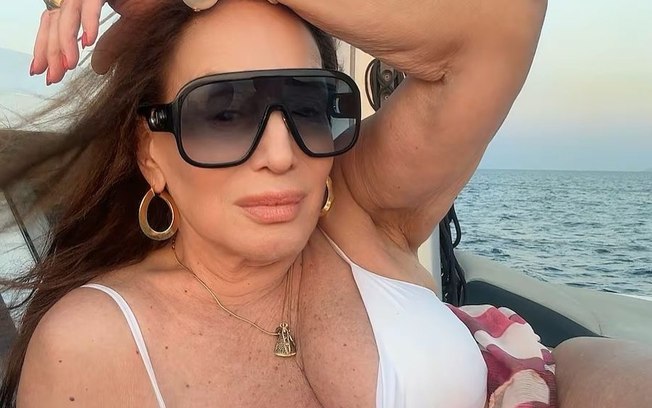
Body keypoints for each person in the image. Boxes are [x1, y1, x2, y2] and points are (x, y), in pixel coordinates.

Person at [1, 0, 552, 406]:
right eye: (223, 113)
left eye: (309, 107)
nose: (282, 154)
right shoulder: (91, 344)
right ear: (151, 154)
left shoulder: (363, 210)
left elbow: (506, 23)